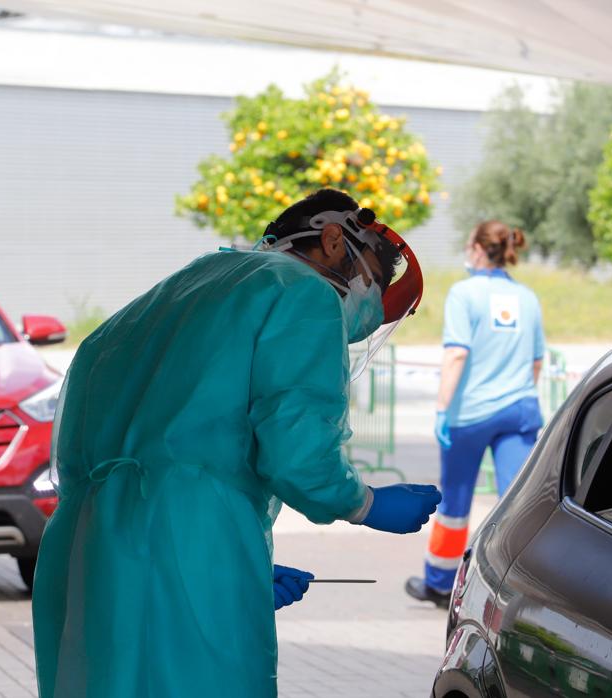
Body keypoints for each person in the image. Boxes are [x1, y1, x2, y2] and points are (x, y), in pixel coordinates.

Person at [32, 188, 441, 698]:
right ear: (334, 240)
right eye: (372, 283)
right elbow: (297, 451)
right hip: (192, 535)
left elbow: (130, 441)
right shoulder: (305, 293)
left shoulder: (185, 289)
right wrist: (364, 504)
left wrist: (233, 563)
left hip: (87, 544)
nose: (365, 304)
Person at [405, 220, 545, 607]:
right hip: (519, 411)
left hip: (472, 414)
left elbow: (456, 353)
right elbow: (536, 361)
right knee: (516, 503)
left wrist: (440, 409)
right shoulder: (527, 297)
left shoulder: (463, 294)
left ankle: (440, 582)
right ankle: (520, 587)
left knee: (455, 502)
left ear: (479, 249)